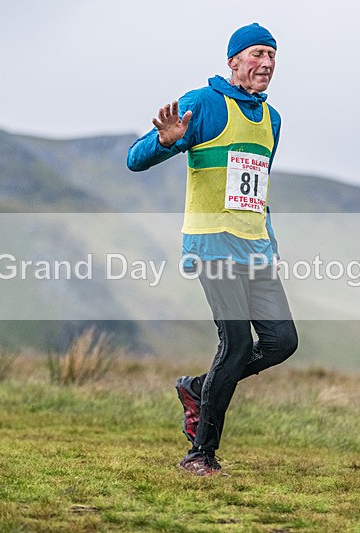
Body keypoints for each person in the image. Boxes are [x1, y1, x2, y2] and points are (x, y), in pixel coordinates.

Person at [127, 22, 298, 477]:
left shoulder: (272, 119)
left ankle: (198, 387)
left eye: (272, 55)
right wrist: (164, 141)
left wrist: (271, 244)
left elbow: (258, 192)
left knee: (283, 341)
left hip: (255, 247)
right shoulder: (204, 103)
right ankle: (199, 455)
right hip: (213, 245)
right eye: (257, 53)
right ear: (234, 60)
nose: (266, 63)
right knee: (238, 343)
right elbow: (135, 157)